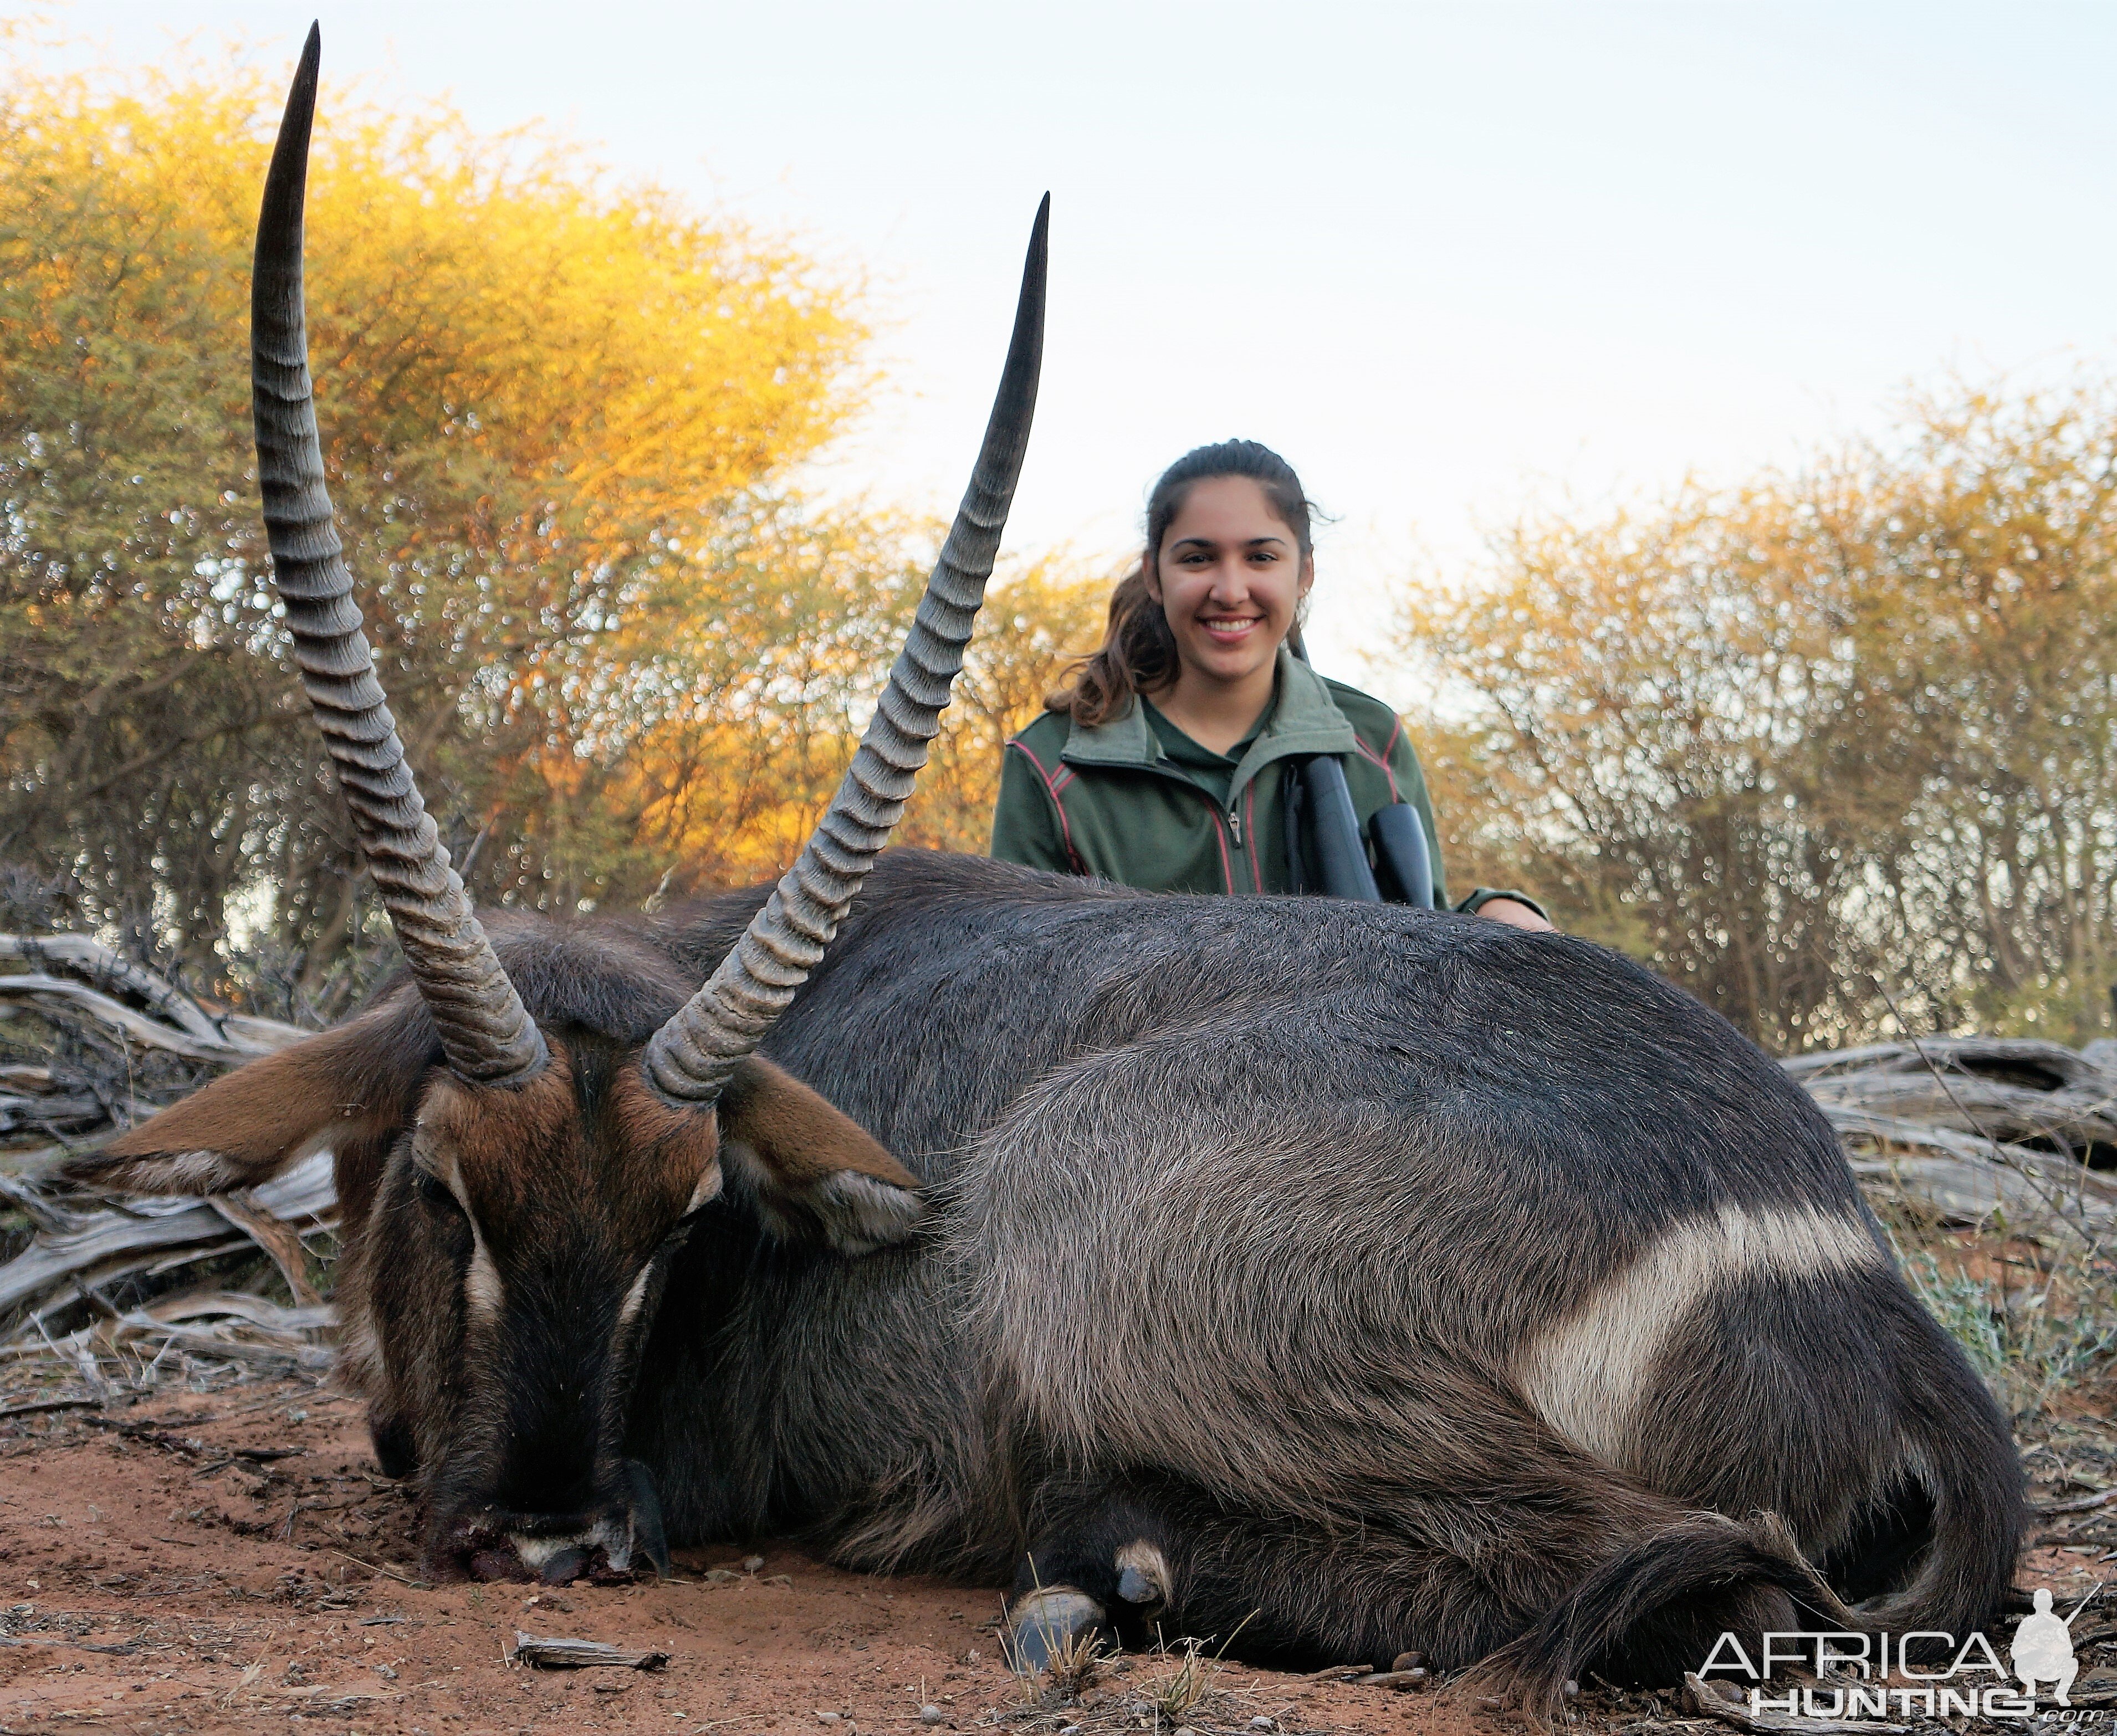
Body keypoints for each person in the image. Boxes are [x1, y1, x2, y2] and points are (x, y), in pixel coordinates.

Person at [989, 438, 1550, 925]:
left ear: (1303, 572)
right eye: (1197, 558)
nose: (1230, 589)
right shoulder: (1049, 762)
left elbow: (1424, 930)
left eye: (1260, 556)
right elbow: (1017, 980)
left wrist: (1498, 911)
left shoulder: (1371, 737)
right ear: (1154, 577)